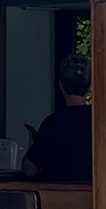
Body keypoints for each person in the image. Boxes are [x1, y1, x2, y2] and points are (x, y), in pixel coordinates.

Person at [22, 54, 92, 183]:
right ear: (89, 88)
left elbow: (29, 169)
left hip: (56, 197)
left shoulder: (52, 124)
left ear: (61, 85)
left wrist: (32, 146)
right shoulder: (98, 121)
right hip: (94, 198)